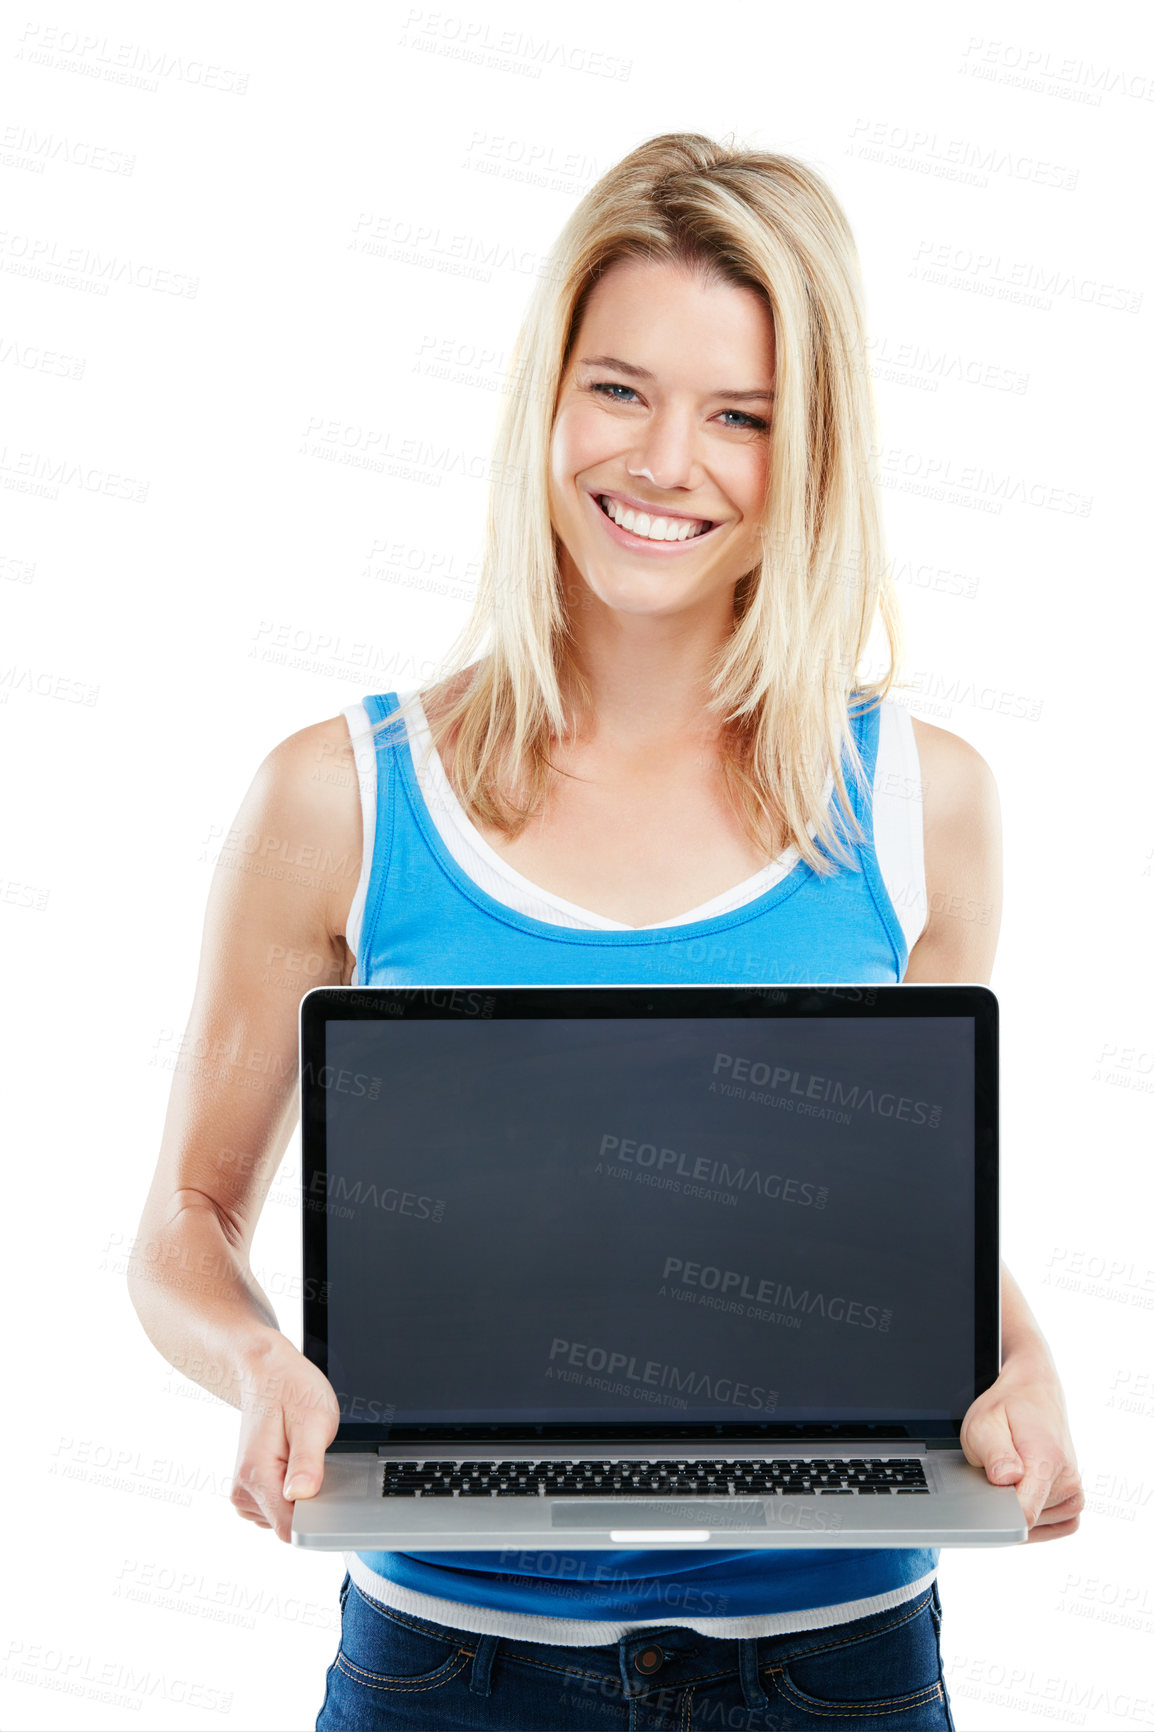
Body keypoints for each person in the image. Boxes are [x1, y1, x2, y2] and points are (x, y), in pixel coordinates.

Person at [128, 133, 1083, 1731]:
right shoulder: (341, 798)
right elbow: (184, 1219)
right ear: (547, 402)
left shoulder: (929, 803)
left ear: (811, 454)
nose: (664, 463)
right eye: (621, 390)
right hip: (448, 1666)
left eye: (741, 417)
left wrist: (1028, 1362)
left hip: (837, 1667)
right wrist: (257, 1367)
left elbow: (906, 1229)